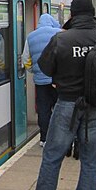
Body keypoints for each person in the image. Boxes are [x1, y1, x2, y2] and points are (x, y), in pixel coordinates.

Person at [20, 0, 96, 190]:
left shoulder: (61, 39)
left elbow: (44, 66)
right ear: (93, 13)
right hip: (95, 105)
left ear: (72, 15)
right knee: (90, 161)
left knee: (52, 156)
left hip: (67, 104)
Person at [22, 13, 61, 146]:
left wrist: (34, 71)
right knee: (59, 109)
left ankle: (44, 139)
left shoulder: (31, 36)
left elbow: (25, 59)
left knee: (43, 110)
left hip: (40, 81)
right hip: (58, 80)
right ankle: (59, 138)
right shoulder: (59, 33)